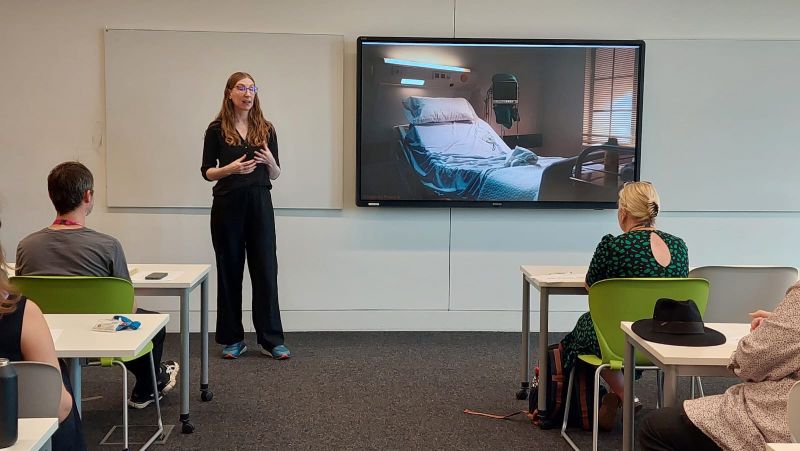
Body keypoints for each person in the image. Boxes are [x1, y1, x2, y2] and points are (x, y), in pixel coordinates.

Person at [15, 161, 178, 409]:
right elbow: (129, 308)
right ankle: (146, 388)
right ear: (87, 195)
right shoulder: (108, 245)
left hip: (45, 335)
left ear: (51, 195)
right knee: (154, 326)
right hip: (100, 335)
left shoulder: (26, 246)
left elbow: (23, 305)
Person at [559, 181, 688, 430]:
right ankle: (620, 394)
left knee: (586, 329)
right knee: (606, 330)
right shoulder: (679, 246)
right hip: (664, 338)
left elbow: (593, 288)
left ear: (623, 212)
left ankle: (625, 396)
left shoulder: (613, 246)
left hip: (623, 339)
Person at [638, 283, 800, 450]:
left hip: (782, 424)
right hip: (787, 419)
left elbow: (749, 362)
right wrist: (777, 323)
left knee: (656, 427)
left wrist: (767, 332)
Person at [201, 71, 290, 360]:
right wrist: (230, 169)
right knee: (230, 271)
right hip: (227, 205)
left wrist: (271, 162)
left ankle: (271, 339)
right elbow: (207, 172)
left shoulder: (266, 128)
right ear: (229, 93)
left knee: (265, 270)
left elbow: (275, 174)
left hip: (260, 204)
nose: (247, 93)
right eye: (241, 88)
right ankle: (233, 339)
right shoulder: (215, 130)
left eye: (252, 88)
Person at [0, 222, 87, 450]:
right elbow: (58, 407)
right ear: (88, 196)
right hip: (12, 435)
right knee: (53, 376)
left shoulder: (27, 246)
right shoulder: (21, 315)